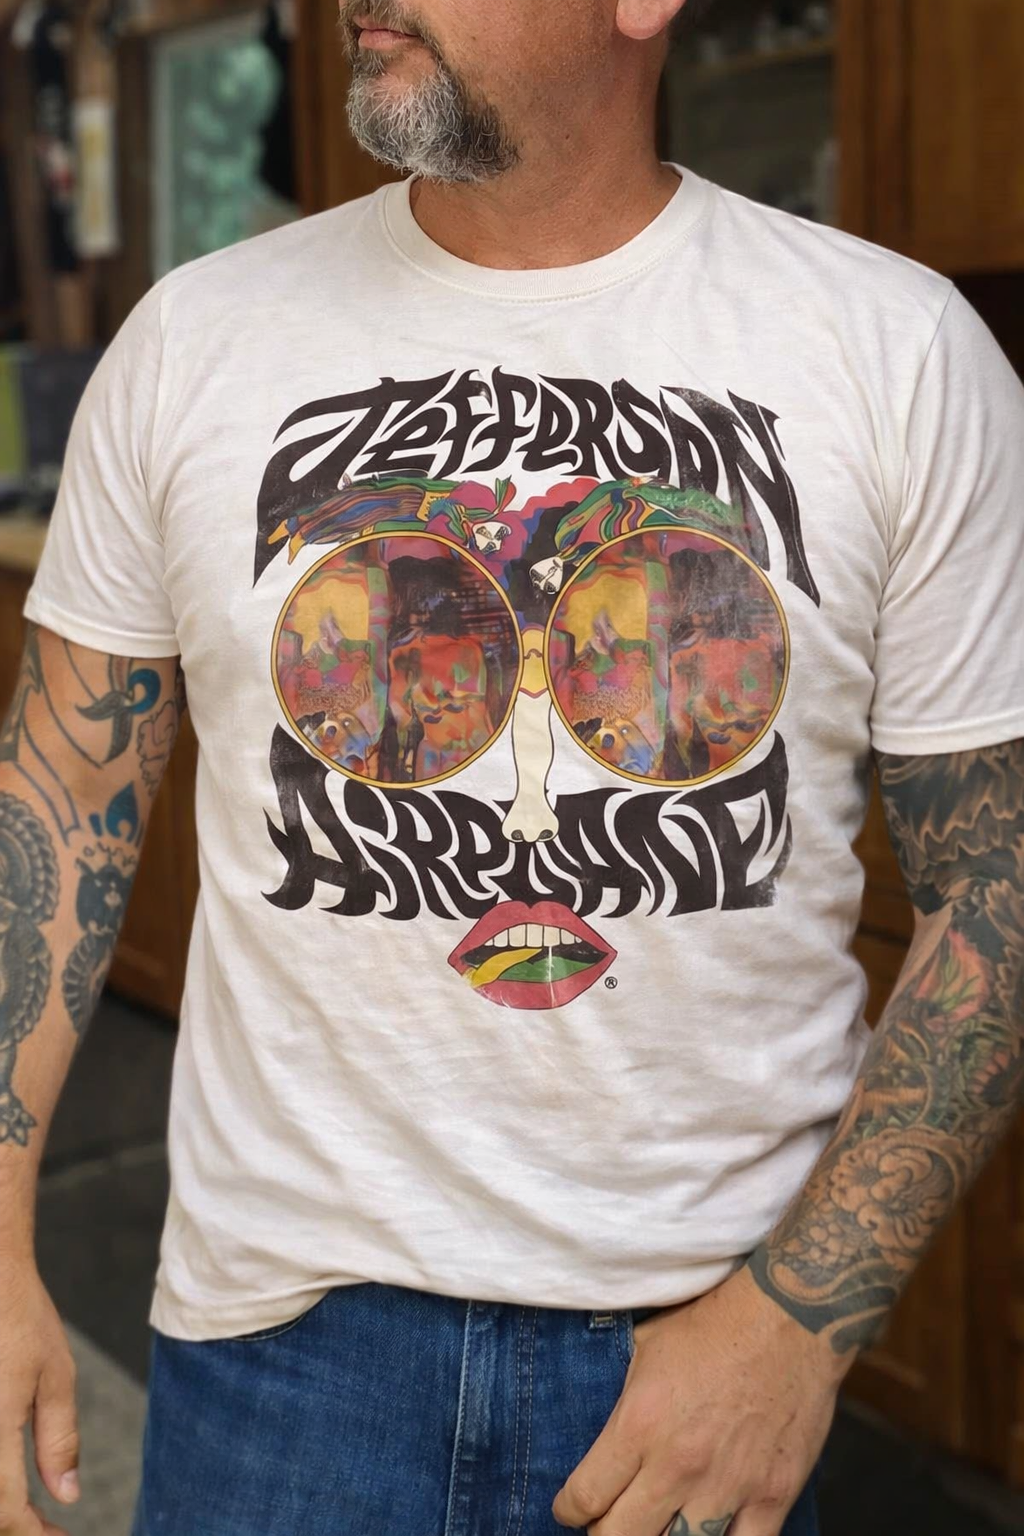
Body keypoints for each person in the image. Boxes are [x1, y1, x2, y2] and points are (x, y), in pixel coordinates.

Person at [1, 0, 1022, 1532]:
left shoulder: (898, 353)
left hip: (702, 1360)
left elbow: (998, 883)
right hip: (278, 1351)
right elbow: (60, 798)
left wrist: (793, 1328)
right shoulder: (192, 341)